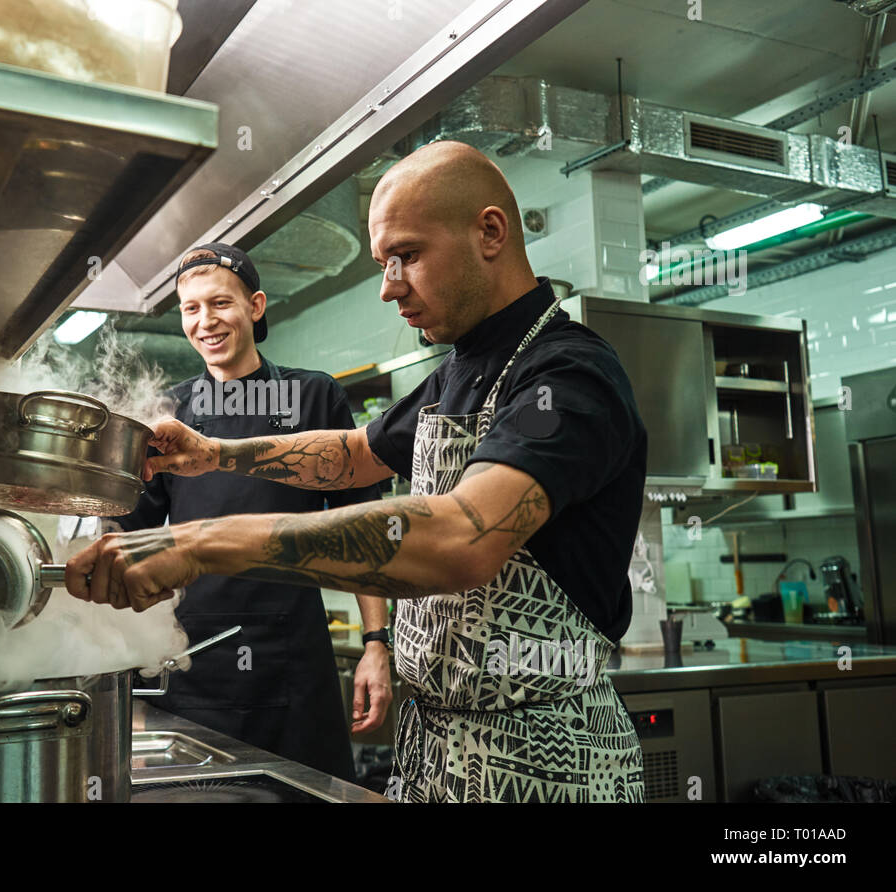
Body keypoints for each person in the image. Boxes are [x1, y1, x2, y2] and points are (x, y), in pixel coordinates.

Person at [65, 141, 649, 803]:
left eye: (406, 256)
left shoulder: (566, 376)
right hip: (435, 749)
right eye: (383, 262)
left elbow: (462, 538)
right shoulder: (462, 372)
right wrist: (213, 454)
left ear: (490, 231)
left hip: (543, 764)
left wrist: (203, 544)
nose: (388, 285)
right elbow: (352, 456)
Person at [108, 242, 391, 782]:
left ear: (256, 306)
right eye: (191, 309)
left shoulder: (312, 397)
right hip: (192, 662)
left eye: (220, 304)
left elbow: (364, 527)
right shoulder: (168, 413)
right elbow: (128, 534)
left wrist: (377, 643)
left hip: (294, 661)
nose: (204, 322)